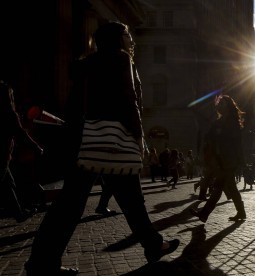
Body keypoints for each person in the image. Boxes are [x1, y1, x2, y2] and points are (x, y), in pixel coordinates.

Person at [25, 22, 179, 275]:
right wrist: (139, 136)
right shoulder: (121, 60)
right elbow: (128, 101)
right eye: (128, 35)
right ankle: (154, 245)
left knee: (70, 204)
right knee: (131, 201)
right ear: (119, 38)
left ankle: (41, 262)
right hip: (112, 141)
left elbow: (75, 105)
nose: (131, 39)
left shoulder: (88, 64)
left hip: (85, 141)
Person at [190, 94, 246, 222]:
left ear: (228, 107)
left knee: (218, 187)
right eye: (218, 104)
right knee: (232, 188)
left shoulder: (232, 123)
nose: (219, 106)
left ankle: (204, 213)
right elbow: (209, 138)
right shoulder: (217, 122)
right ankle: (241, 212)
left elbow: (238, 144)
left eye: (222, 104)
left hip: (228, 161)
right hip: (219, 160)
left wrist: (242, 162)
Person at [0, 80, 43, 223]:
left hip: (5, 156)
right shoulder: (9, 114)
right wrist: (36, 147)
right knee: (6, 183)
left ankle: (18, 213)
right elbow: (21, 134)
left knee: (8, 183)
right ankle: (18, 213)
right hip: (2, 156)